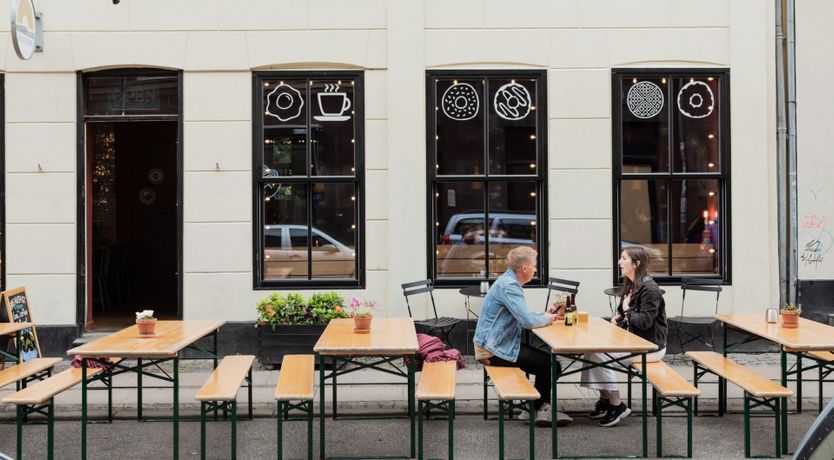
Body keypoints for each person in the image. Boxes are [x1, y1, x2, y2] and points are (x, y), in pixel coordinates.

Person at [473, 246, 572, 427]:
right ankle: (539, 409)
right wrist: (548, 318)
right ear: (524, 268)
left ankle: (534, 408)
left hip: (496, 345)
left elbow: (522, 315)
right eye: (534, 265)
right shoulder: (510, 286)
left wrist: (543, 315)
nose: (535, 269)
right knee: (551, 365)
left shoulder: (507, 282)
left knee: (548, 362)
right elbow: (527, 321)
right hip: (492, 350)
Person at [581, 245, 667, 427]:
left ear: (636, 264)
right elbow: (626, 310)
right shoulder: (633, 284)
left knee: (601, 355)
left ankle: (617, 405)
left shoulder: (650, 289)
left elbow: (644, 322)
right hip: (632, 341)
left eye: (624, 258)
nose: (619, 262)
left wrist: (627, 309)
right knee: (591, 351)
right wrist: (620, 315)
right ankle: (605, 400)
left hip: (650, 346)